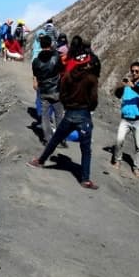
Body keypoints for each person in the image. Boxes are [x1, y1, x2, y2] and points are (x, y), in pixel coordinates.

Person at [28, 36, 101, 189]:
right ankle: (85, 179)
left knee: (55, 139)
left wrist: (68, 104)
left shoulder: (68, 76)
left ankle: (40, 161)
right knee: (86, 149)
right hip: (84, 115)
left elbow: (63, 93)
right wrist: (88, 108)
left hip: (70, 113)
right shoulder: (91, 79)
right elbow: (94, 100)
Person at [111, 62, 139, 178]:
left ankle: (137, 168)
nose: (134, 73)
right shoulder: (127, 86)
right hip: (125, 119)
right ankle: (117, 160)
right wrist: (121, 85)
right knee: (119, 140)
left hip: (138, 120)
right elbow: (117, 95)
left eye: (136, 71)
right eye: (132, 71)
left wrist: (132, 85)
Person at [32, 34, 63, 143]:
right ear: (50, 44)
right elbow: (61, 69)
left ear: (40, 45)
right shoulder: (56, 57)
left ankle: (47, 138)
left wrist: (36, 82)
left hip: (44, 91)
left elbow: (35, 74)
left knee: (45, 116)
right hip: (56, 90)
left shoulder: (36, 61)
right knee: (59, 115)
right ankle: (60, 138)